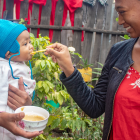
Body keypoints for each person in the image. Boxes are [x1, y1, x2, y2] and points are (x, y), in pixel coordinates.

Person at [45, 0, 140, 139]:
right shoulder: (119, 52)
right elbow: (95, 106)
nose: (119, 21)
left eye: (122, 11)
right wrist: (67, 67)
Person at [0, 19, 36, 140]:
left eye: (29, 42)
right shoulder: (6, 68)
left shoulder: (17, 64)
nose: (31, 47)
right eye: (25, 44)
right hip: (8, 115)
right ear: (9, 53)